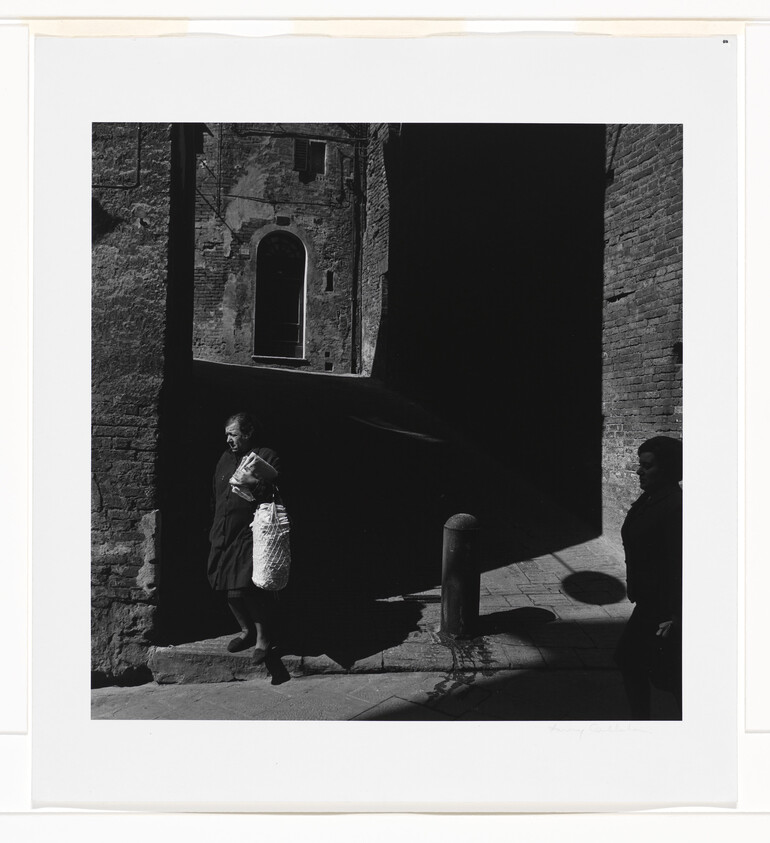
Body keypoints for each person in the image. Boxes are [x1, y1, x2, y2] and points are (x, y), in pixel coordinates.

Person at [615, 435, 683, 719]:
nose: (639, 471)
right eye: (640, 464)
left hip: (662, 608)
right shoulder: (651, 498)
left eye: (647, 466)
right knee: (645, 665)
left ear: (666, 469)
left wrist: (677, 616)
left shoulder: (676, 507)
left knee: (666, 673)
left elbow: (682, 565)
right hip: (650, 602)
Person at [207, 411, 280, 664]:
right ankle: (246, 630)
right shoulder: (225, 458)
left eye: (234, 434)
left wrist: (254, 483)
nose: (229, 440)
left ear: (248, 434)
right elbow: (216, 494)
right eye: (227, 435)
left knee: (246, 589)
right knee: (226, 588)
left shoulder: (266, 456)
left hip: (249, 532)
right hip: (223, 531)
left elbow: (275, 493)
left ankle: (263, 638)